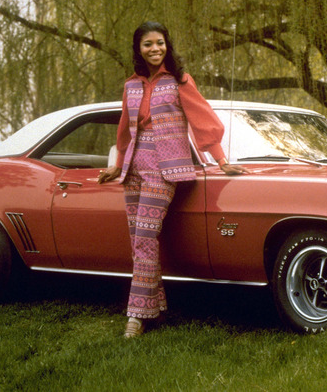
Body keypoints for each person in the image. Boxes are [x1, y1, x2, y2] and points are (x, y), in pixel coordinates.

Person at [98, 21, 248, 338]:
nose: (155, 49)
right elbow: (125, 130)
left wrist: (221, 160)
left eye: (160, 43)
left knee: (144, 238)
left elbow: (203, 120)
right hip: (134, 170)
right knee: (138, 241)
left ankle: (136, 316)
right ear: (138, 49)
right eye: (148, 44)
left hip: (165, 168)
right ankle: (156, 307)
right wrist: (117, 165)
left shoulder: (179, 81)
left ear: (168, 45)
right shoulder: (131, 86)